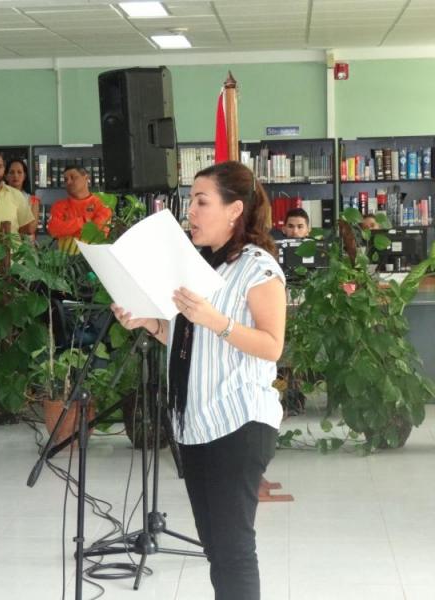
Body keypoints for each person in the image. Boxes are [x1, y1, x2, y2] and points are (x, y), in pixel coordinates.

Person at [113, 161, 286, 600]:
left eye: (201, 201)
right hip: (195, 423)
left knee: (233, 550)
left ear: (234, 210)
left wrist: (217, 319)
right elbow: (186, 337)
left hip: (238, 421)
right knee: (215, 547)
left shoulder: (258, 267)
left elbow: (271, 345)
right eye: (190, 200)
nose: (190, 211)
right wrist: (148, 323)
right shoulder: (193, 264)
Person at [47, 165, 112, 253]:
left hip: (94, 257)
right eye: (66, 180)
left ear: (86, 177)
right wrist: (84, 220)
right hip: (64, 261)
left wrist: (67, 229)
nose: (69, 182)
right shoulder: (59, 205)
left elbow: (97, 234)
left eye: (73, 177)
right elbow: (54, 230)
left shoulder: (102, 203)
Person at [5, 158, 40, 237]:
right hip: (4, 244)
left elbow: (30, 228)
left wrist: (12, 228)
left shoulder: (33, 200)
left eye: (19, 172)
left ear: (24, 176)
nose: (15, 175)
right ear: (6, 176)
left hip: (26, 246)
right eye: (12, 172)